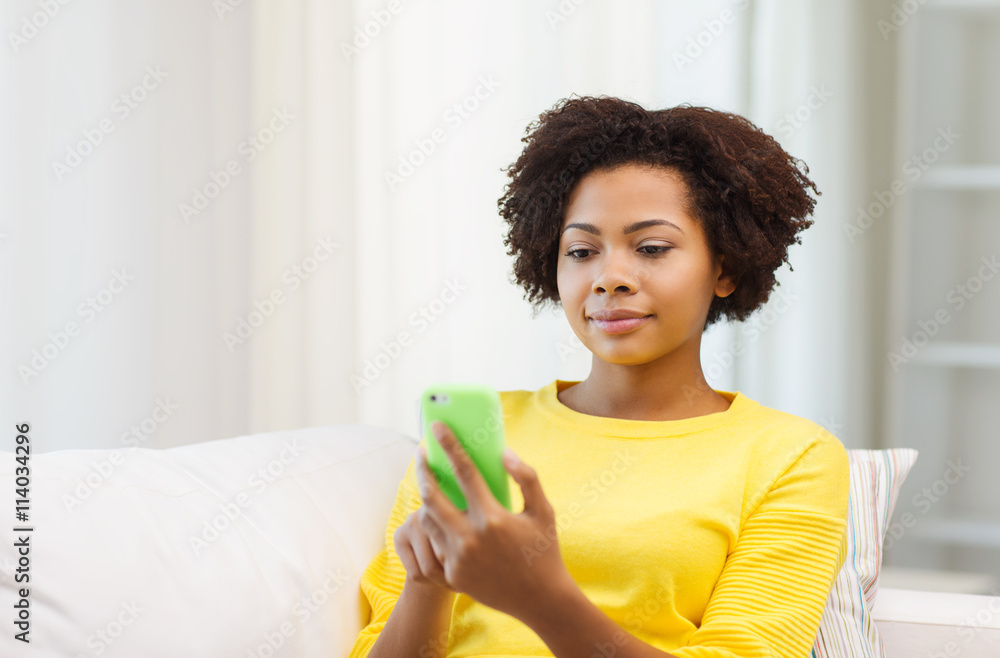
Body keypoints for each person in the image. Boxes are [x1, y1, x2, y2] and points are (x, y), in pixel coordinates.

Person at [349, 94, 849, 658]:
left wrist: (540, 596)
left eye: (652, 248)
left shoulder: (790, 456)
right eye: (582, 250)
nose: (610, 278)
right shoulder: (483, 432)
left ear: (726, 267)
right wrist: (429, 582)